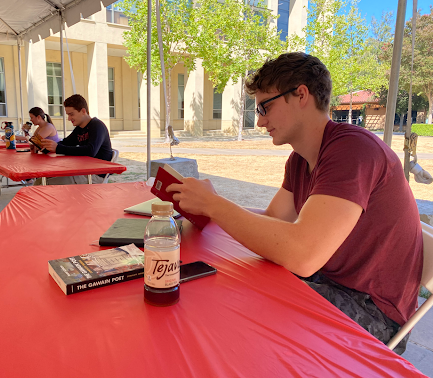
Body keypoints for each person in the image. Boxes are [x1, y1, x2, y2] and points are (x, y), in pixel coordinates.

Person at [167, 52, 422, 355]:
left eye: (266, 107)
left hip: (373, 311)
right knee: (227, 287)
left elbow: (302, 255)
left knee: (237, 313)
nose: (260, 120)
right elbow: (277, 218)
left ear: (301, 94)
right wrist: (209, 208)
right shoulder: (300, 160)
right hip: (327, 282)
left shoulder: (353, 150)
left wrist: (216, 206)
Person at [39, 94, 113, 185]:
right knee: (41, 179)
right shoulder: (80, 128)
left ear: (83, 111)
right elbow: (66, 143)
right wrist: (46, 147)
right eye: (68, 115)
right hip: (83, 171)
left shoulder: (97, 126)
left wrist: (57, 148)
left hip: (95, 175)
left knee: (42, 185)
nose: (69, 118)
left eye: (71, 114)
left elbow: (90, 150)